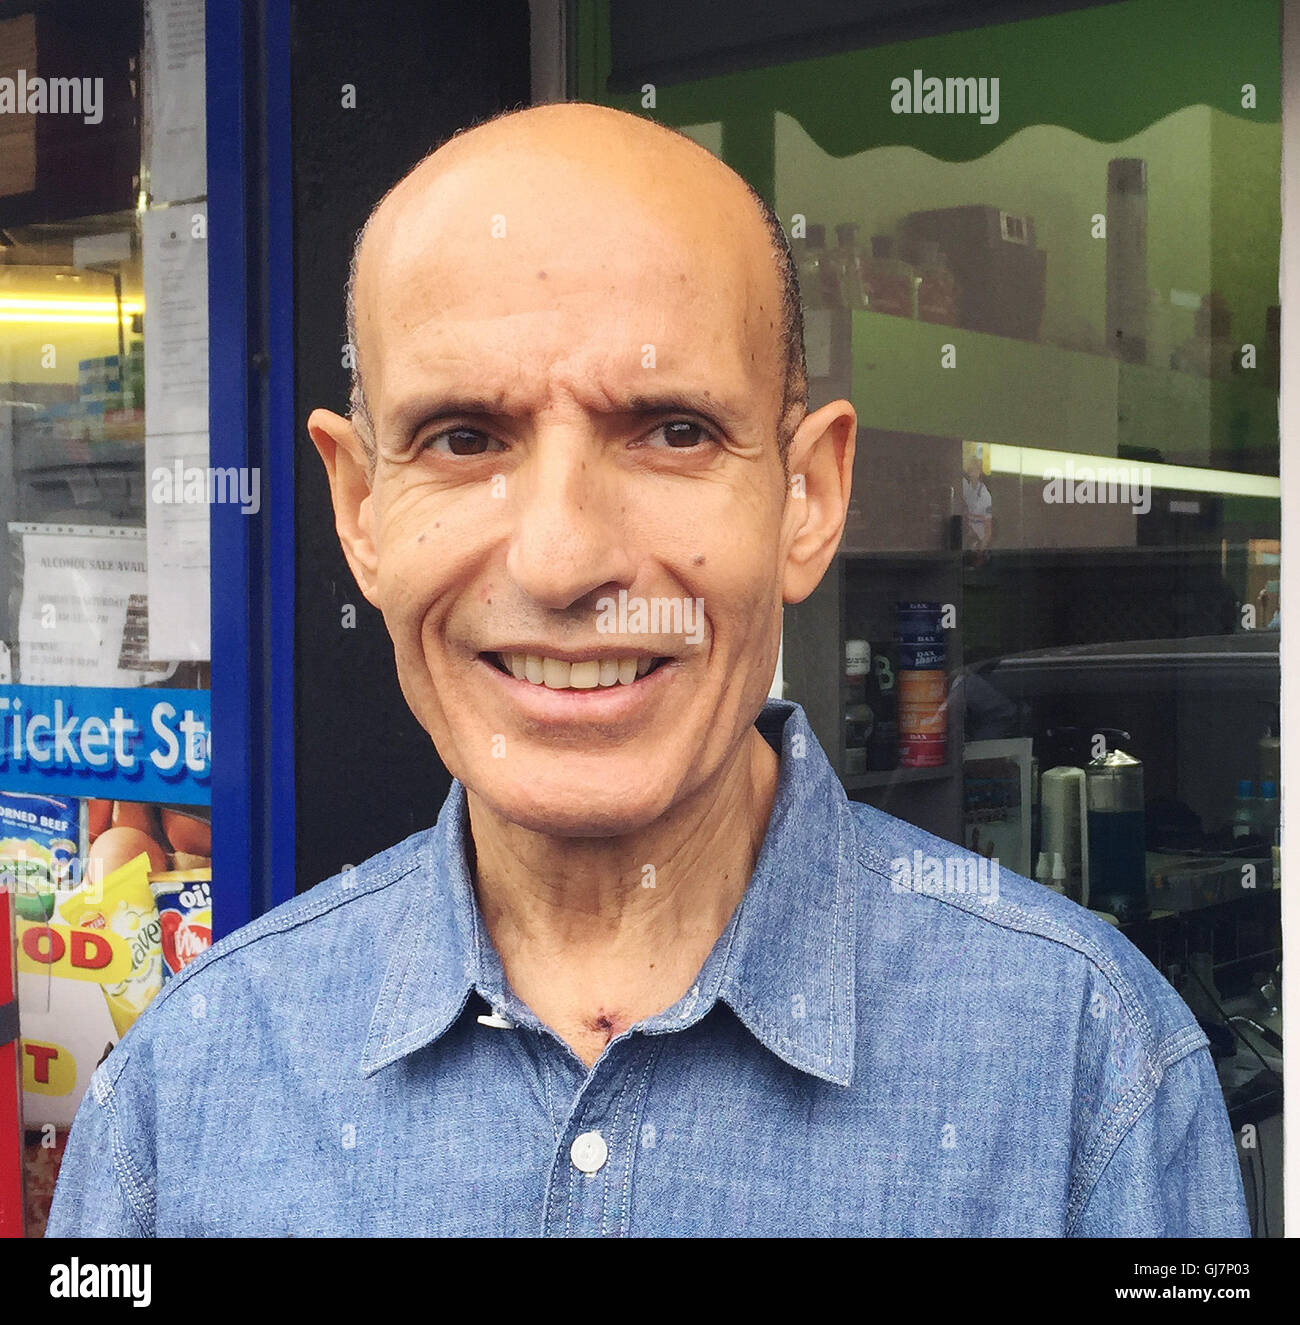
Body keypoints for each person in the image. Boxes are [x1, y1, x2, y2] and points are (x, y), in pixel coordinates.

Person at [47, 103, 1248, 1237]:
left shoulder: (1093, 1076)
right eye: (464, 438)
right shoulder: (180, 1100)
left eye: (673, 430)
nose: (565, 558)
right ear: (361, 509)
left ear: (808, 498)